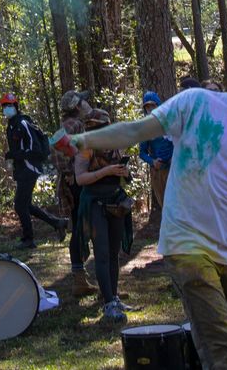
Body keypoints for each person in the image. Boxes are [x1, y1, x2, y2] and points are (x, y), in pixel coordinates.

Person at [71, 32, 227, 370]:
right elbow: (135, 131)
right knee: (221, 346)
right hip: (187, 246)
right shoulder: (196, 102)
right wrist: (83, 139)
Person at [73, 109, 133, 323]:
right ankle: (108, 302)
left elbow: (126, 175)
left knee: (114, 252)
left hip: (115, 202)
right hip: (95, 204)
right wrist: (105, 172)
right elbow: (80, 179)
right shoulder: (85, 148)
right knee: (103, 253)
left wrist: (124, 173)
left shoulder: (116, 144)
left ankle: (114, 297)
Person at [1, 92, 67, 248]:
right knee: (27, 205)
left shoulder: (23, 123)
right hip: (22, 168)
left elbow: (35, 149)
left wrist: (15, 155)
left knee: (19, 205)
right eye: (5, 106)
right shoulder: (11, 125)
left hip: (30, 168)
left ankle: (28, 239)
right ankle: (58, 223)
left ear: (16, 107)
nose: (7, 109)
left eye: (10, 106)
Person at [52, 89, 98, 299]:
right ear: (77, 106)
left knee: (81, 227)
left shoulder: (70, 124)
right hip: (77, 185)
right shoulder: (73, 125)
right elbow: (60, 153)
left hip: (74, 182)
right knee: (82, 227)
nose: (87, 105)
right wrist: (72, 173)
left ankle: (81, 277)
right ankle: (80, 278)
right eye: (83, 102)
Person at [139, 92, 173, 224]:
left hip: (174, 168)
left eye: (153, 106)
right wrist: (152, 162)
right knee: (165, 205)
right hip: (158, 171)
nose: (150, 109)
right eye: (147, 107)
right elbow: (142, 153)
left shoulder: (170, 121)